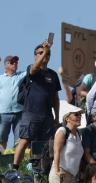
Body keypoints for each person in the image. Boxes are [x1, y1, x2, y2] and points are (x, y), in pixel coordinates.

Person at [13, 41, 61, 171]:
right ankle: (14, 169)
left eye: (47, 53)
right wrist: (45, 50)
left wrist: (57, 116)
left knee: (45, 145)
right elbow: (34, 69)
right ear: (35, 56)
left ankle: (39, 170)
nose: (45, 55)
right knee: (24, 140)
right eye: (40, 53)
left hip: (47, 115)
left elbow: (56, 98)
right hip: (31, 112)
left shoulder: (53, 75)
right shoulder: (32, 68)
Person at [0, 55, 25, 149]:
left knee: (19, 140)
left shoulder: (21, 75)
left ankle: (17, 161)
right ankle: (2, 161)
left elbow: (32, 70)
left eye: (16, 63)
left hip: (19, 112)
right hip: (4, 113)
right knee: (2, 140)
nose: (15, 64)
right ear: (5, 65)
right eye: (12, 62)